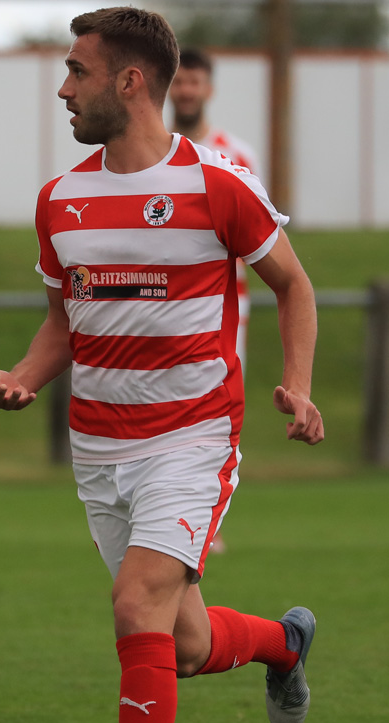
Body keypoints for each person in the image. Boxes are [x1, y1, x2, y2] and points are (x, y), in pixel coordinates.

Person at [0, 7, 323, 723]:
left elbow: (295, 285)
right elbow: (66, 324)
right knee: (187, 645)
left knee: (135, 609)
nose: (63, 87)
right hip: (101, 451)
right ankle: (284, 643)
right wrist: (25, 375)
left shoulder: (218, 184)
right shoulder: (62, 201)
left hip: (194, 438)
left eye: (76, 72)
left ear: (129, 81)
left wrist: (300, 387)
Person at [170, 47, 262, 553]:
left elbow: (258, 236)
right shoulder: (151, 152)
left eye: (195, 82)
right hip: (164, 306)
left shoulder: (236, 155)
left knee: (215, 407)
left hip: (225, 307)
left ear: (209, 88)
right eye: (179, 82)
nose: (186, 90)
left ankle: (208, 520)